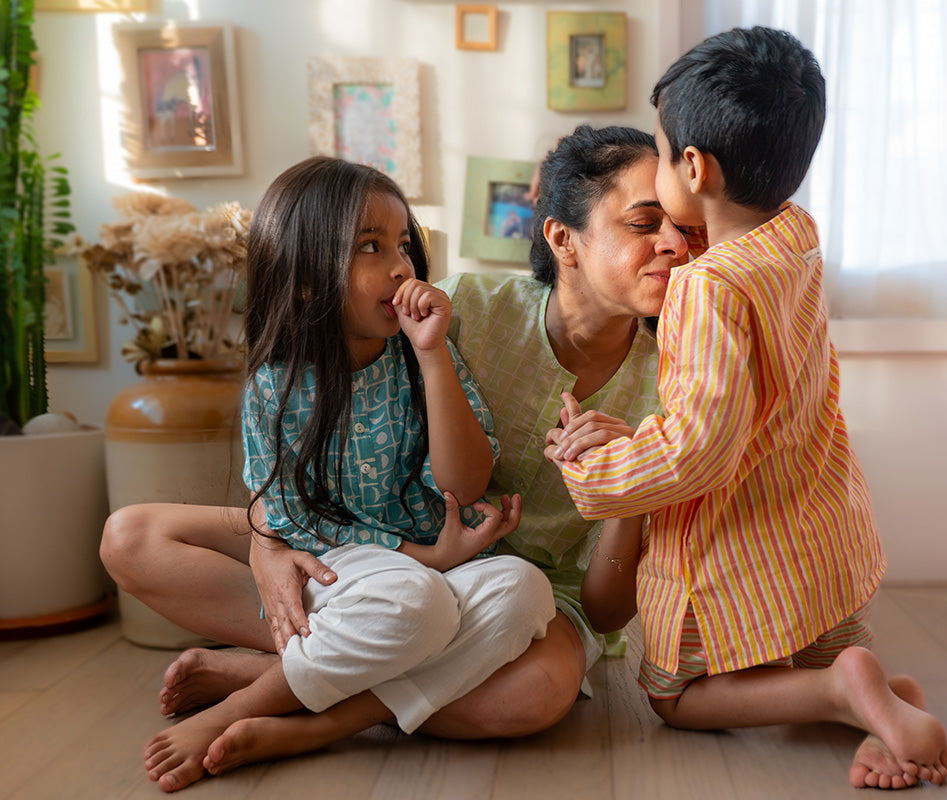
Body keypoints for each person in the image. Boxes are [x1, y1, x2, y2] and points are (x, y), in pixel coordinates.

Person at [99, 124, 693, 771]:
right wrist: (270, 546)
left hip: (493, 587)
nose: (674, 244)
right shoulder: (457, 309)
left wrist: (634, 481)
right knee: (132, 536)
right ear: (562, 237)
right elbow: (282, 496)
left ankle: (302, 701)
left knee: (534, 688)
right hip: (355, 557)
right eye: (644, 221)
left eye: (684, 228)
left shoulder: (682, 385)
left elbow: (605, 611)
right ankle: (338, 655)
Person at [544, 27, 947, 791]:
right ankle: (881, 702)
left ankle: (842, 691)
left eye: (664, 153)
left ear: (693, 168)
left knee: (671, 692)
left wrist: (599, 470)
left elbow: (697, 449)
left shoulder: (706, 289)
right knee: (826, 648)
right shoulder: (795, 234)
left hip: (742, 545)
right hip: (823, 526)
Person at [141, 156, 555, 792]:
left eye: (403, 245)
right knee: (415, 603)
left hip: (416, 577)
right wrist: (428, 559)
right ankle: (238, 710)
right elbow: (290, 520)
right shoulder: (275, 383)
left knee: (526, 590)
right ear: (307, 280)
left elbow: (465, 485)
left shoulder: (425, 355)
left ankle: (300, 698)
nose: (400, 266)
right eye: (370, 246)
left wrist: (434, 356)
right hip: (344, 569)